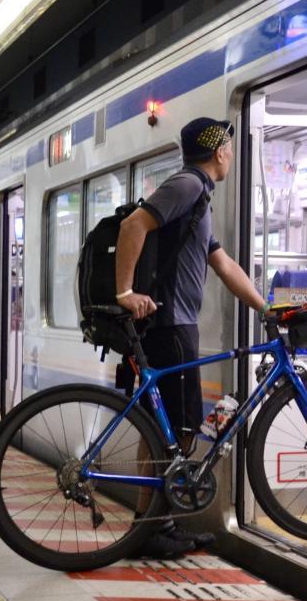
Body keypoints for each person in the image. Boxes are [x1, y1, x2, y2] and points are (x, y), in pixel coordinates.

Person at [114, 116, 269, 557]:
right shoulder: (188, 186)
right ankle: (155, 527)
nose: (232, 155)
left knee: (159, 432)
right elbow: (132, 227)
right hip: (171, 326)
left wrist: (263, 307)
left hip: (172, 324)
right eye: (230, 149)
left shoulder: (197, 198)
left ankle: (149, 528)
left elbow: (223, 265)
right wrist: (125, 292)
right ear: (220, 152)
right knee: (180, 433)